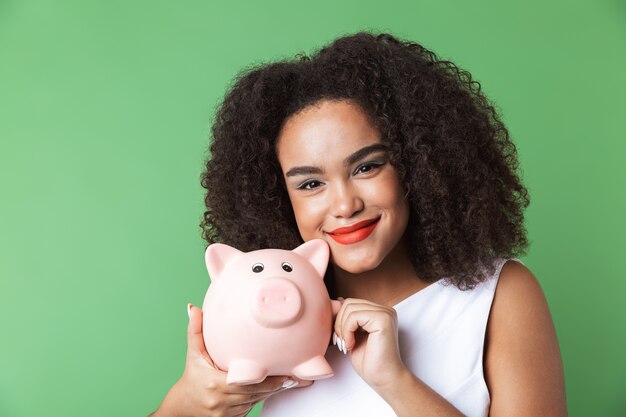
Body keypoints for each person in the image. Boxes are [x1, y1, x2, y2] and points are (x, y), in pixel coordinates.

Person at [149, 32, 567, 417]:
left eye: (366, 167)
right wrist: (186, 400)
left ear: (417, 166)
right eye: (311, 183)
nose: (345, 205)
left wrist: (394, 381)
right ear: (279, 198)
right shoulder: (265, 318)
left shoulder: (499, 296)